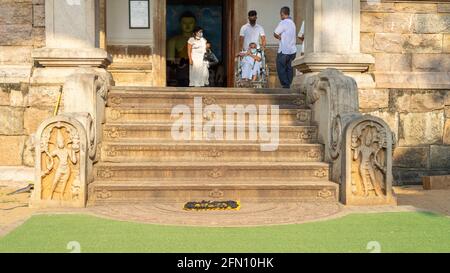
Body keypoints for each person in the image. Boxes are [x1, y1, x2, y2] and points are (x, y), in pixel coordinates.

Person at [274, 7, 297, 89]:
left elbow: (275, 33)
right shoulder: (292, 23)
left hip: (284, 50)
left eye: (281, 14)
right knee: (289, 69)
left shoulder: (283, 22)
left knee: (280, 67)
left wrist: (279, 37)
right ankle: (290, 84)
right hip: (292, 50)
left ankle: (285, 85)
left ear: (282, 13)